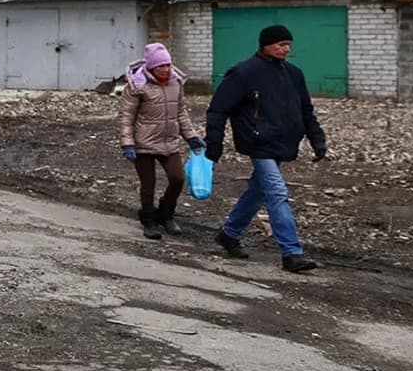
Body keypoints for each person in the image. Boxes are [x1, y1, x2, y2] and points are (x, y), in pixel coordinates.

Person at [203, 24, 326, 274]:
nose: (286, 49)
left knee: (258, 191)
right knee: (277, 191)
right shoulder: (243, 73)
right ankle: (291, 253)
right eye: (281, 44)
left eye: (288, 45)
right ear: (265, 45)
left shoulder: (294, 73)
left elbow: (305, 109)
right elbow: (218, 109)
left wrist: (317, 138)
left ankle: (229, 233)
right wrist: (214, 143)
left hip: (284, 141)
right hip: (258, 143)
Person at [118, 42, 204, 239]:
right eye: (160, 66)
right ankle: (149, 221)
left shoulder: (175, 83)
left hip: (169, 141)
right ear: (151, 68)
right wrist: (127, 143)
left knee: (177, 179)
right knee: (148, 183)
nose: (166, 70)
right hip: (143, 143)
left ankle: (166, 215)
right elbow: (126, 116)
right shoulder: (137, 86)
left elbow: (180, 112)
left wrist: (191, 136)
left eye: (168, 65)